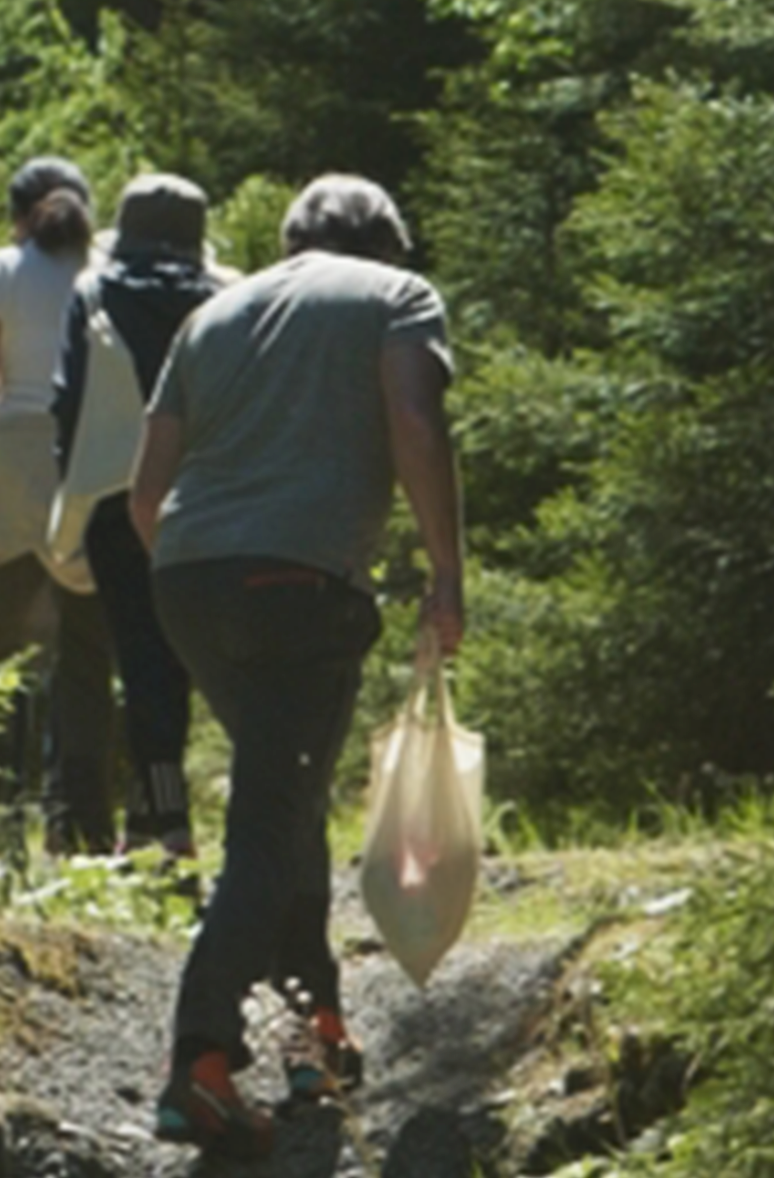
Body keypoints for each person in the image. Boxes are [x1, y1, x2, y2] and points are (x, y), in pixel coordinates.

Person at [129, 174, 465, 1160]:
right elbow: (414, 420)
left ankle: (314, 1021)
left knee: (285, 794)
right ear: (387, 246)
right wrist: (444, 572)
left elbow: (145, 493)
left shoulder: (212, 312)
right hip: (300, 586)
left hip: (186, 580)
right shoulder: (395, 297)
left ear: (288, 238)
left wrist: (207, 569)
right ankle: (200, 1057)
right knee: (270, 817)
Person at [0, 157, 118, 849]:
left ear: (17, 216)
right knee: (86, 649)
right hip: (90, 460)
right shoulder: (106, 270)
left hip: (10, 460)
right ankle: (84, 826)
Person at [51, 173, 232, 860]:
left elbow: (66, 403)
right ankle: (163, 813)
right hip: (207, 491)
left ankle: (163, 817)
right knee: (186, 656)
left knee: (140, 653)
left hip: (113, 493)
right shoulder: (226, 297)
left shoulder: (92, 293)